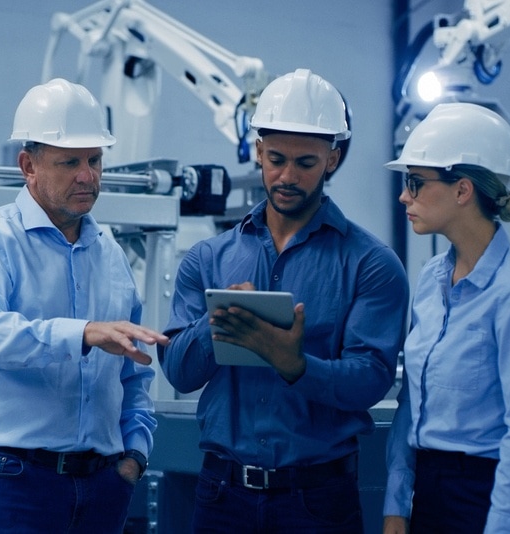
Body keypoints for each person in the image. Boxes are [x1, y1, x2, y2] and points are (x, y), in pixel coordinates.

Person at [159, 68, 410, 534]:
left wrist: (293, 363)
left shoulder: (371, 264)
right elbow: (177, 369)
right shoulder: (208, 259)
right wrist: (215, 326)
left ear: (332, 160)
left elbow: (371, 380)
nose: (287, 176)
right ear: (258, 151)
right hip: (221, 495)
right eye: (275, 159)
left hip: (317, 503)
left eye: (306, 163)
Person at [0, 78, 169, 533]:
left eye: (95, 160)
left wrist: (136, 455)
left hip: (104, 484)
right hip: (10, 481)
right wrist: (80, 333)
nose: (87, 175)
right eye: (69, 162)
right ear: (29, 165)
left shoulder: (113, 255)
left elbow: (134, 373)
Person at [382, 102, 510, 534]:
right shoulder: (430, 279)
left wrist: (501, 528)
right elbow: (411, 401)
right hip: (430, 495)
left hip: (491, 500)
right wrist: (396, 505)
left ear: (462, 191)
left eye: (416, 183)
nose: (405, 196)